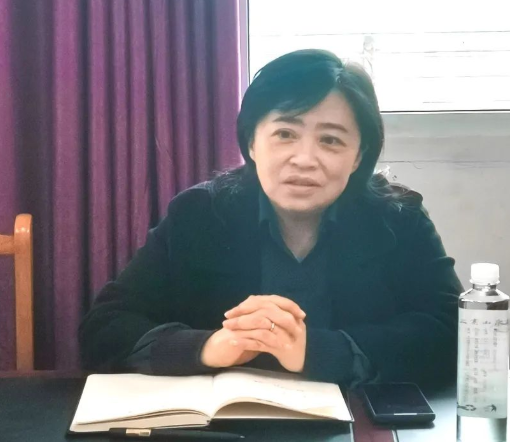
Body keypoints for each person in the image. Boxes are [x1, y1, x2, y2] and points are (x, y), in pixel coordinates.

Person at [79, 49, 462, 390]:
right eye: (285, 133)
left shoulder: (398, 218)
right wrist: (208, 346)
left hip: (356, 421)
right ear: (252, 143)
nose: (304, 159)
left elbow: (454, 332)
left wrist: (318, 351)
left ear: (358, 156)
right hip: (224, 425)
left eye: (330, 140)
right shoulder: (199, 214)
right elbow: (105, 324)